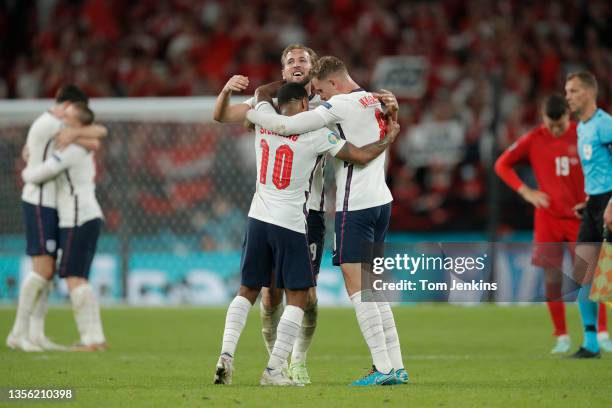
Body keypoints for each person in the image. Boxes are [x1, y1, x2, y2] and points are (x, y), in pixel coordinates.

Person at [213, 82, 400, 386]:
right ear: (303, 104)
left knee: (247, 290)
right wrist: (389, 138)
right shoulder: (317, 135)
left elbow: (260, 93)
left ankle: (226, 355)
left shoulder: (262, 116)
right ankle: (274, 370)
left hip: (257, 218)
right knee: (299, 297)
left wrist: (276, 84)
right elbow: (361, 156)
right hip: (290, 224)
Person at [214, 44, 324, 384]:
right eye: (290, 60)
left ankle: (297, 361)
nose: (296, 63)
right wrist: (225, 92)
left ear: (313, 69)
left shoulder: (323, 105)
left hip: (311, 212)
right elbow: (221, 116)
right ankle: (274, 363)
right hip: (288, 212)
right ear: (283, 70)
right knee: (273, 293)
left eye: (303, 59)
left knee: (308, 296)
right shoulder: (270, 103)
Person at [494, 94, 611, 353]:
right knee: (552, 276)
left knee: (588, 276)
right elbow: (501, 164)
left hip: (580, 217)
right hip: (548, 219)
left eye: (560, 124)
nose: (556, 129)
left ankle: (601, 332)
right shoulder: (534, 138)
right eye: (551, 124)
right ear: (543, 117)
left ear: (569, 116)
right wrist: (527, 192)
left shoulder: (584, 134)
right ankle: (561, 335)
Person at [6, 85, 107, 352]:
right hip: (40, 200)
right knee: (44, 270)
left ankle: (36, 334)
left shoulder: (62, 129)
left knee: (48, 272)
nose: (67, 119)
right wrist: (29, 168)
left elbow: (94, 136)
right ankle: (18, 333)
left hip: (57, 206)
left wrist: (74, 133)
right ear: (67, 106)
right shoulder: (50, 124)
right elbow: (97, 135)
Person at [564, 71, 612, 358]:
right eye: (567, 91)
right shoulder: (582, 128)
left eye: (572, 91)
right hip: (594, 203)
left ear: (588, 93)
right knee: (583, 273)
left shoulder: (605, 125)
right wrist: (589, 200)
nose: (567, 96)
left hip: (609, 204)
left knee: (607, 279)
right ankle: (590, 343)